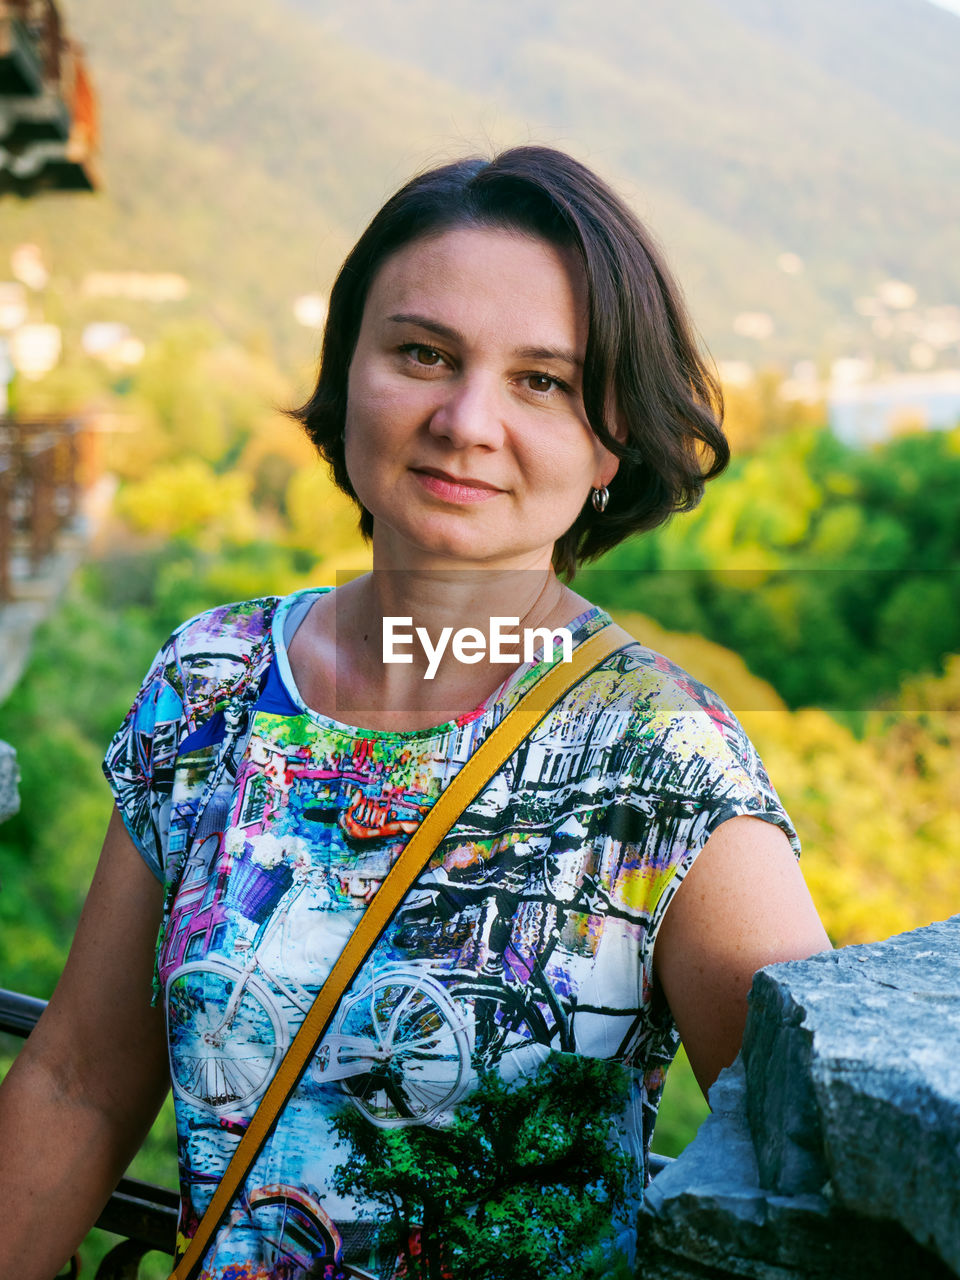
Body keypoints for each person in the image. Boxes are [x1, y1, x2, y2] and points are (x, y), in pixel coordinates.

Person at [0, 146, 830, 1280]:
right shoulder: (215, 680)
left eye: (543, 378)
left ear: (610, 439)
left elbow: (814, 1186)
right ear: (351, 372)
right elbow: (81, 1079)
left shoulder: (666, 766)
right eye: (423, 353)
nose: (466, 418)